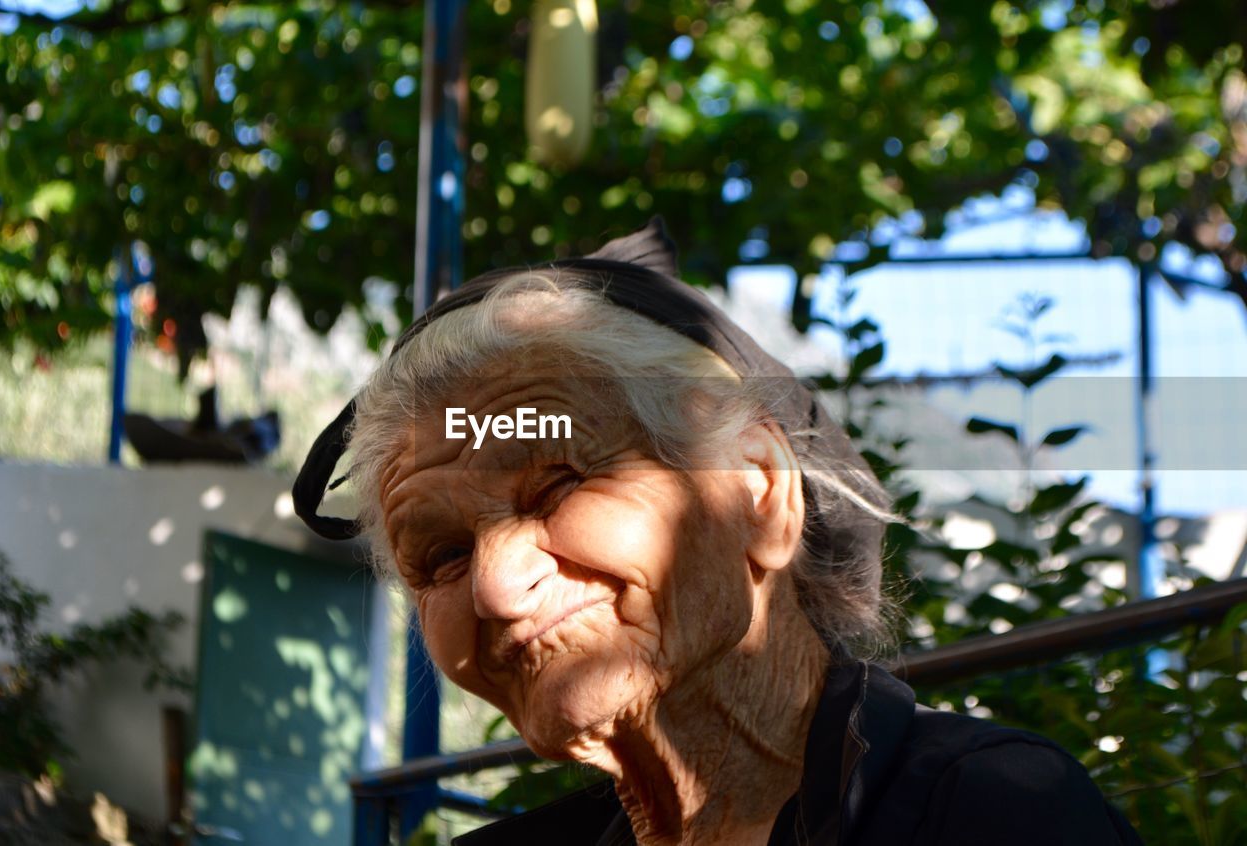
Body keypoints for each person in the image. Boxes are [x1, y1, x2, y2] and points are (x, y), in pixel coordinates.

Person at [294, 219, 1143, 845]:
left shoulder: (990, 815)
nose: (492, 584)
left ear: (760, 488)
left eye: (555, 485)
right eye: (439, 556)